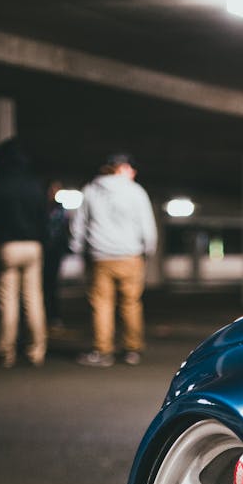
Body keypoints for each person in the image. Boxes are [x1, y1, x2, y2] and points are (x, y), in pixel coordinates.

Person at [70, 152, 157, 367]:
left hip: (100, 257)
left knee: (101, 304)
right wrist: (149, 249)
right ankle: (132, 350)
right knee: (131, 303)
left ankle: (103, 351)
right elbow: (147, 224)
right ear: (121, 168)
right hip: (130, 256)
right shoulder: (136, 191)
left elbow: (78, 225)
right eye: (131, 168)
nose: (134, 173)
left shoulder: (90, 190)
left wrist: (77, 248)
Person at [0, 138, 47, 369]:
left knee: (7, 300)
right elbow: (44, 219)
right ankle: (36, 351)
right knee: (33, 298)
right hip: (33, 246)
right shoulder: (35, 184)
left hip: (7, 245)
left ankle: (6, 351)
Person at [43, 180, 70, 328]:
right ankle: (46, 314)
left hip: (55, 250)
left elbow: (64, 230)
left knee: (52, 283)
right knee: (43, 284)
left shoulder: (60, 209)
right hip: (44, 249)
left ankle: (53, 314)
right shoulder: (42, 208)